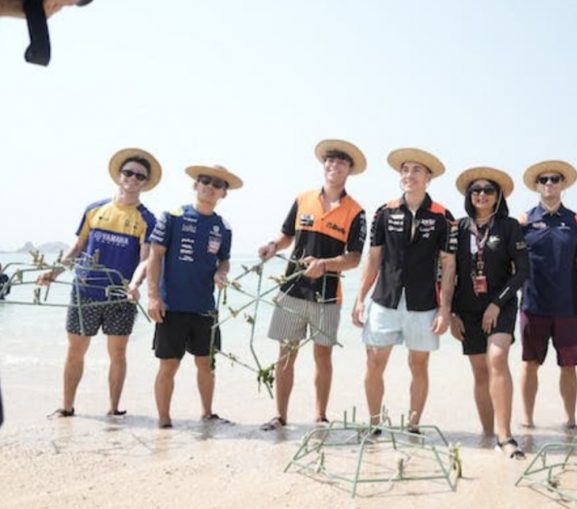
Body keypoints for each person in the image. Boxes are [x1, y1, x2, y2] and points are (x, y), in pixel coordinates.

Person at [37, 148, 161, 417]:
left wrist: (135, 284)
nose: (133, 178)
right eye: (128, 172)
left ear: (145, 183)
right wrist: (53, 273)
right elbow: (77, 247)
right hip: (85, 291)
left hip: (120, 295)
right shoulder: (94, 209)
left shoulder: (147, 219)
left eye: (140, 176)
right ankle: (67, 407)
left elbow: (145, 260)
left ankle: (114, 409)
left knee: (118, 353)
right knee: (75, 350)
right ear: (119, 175)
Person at [257, 139, 367, 431]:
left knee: (323, 356)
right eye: (330, 160)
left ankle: (320, 417)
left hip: (327, 295)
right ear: (324, 165)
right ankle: (280, 416)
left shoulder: (356, 211)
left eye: (342, 162)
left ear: (349, 170)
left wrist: (325, 265)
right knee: (285, 354)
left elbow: (354, 258)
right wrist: (272, 246)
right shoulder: (303, 199)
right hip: (291, 289)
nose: (334, 165)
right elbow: (285, 236)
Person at [353, 148, 457, 433]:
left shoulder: (443, 216)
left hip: (423, 303)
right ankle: (374, 424)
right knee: (374, 362)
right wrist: (360, 299)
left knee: (419, 365)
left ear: (428, 178)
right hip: (384, 300)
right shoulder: (384, 212)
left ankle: (412, 427)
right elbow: (373, 258)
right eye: (405, 170)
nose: (409, 175)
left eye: (416, 170)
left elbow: (449, 265)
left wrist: (445, 310)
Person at [147, 164, 241, 429]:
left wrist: (221, 273)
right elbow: (155, 255)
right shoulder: (172, 217)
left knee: (206, 363)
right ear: (195, 184)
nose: (210, 187)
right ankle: (164, 422)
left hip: (204, 308)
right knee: (168, 365)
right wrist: (153, 296)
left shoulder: (223, 227)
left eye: (217, 184)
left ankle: (208, 414)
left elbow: (224, 260)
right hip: (172, 306)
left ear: (224, 193)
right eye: (205, 181)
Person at [450, 166, 528, 458]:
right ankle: (487, 435)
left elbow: (522, 271)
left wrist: (497, 303)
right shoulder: (457, 228)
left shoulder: (509, 227)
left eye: (488, 190)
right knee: (480, 371)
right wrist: (452, 313)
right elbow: (446, 273)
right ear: (469, 196)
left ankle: (505, 436)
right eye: (476, 190)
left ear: (498, 197)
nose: (481, 194)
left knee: (497, 358)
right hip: (466, 309)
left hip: (501, 304)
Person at [518, 161, 577, 429]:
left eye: (555, 179)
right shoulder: (523, 221)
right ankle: (527, 420)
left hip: (567, 307)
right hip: (532, 305)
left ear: (563, 185)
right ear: (537, 186)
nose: (549, 183)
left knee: (569, 366)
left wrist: (565, 288)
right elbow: (514, 265)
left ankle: (570, 420)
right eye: (543, 179)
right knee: (530, 363)